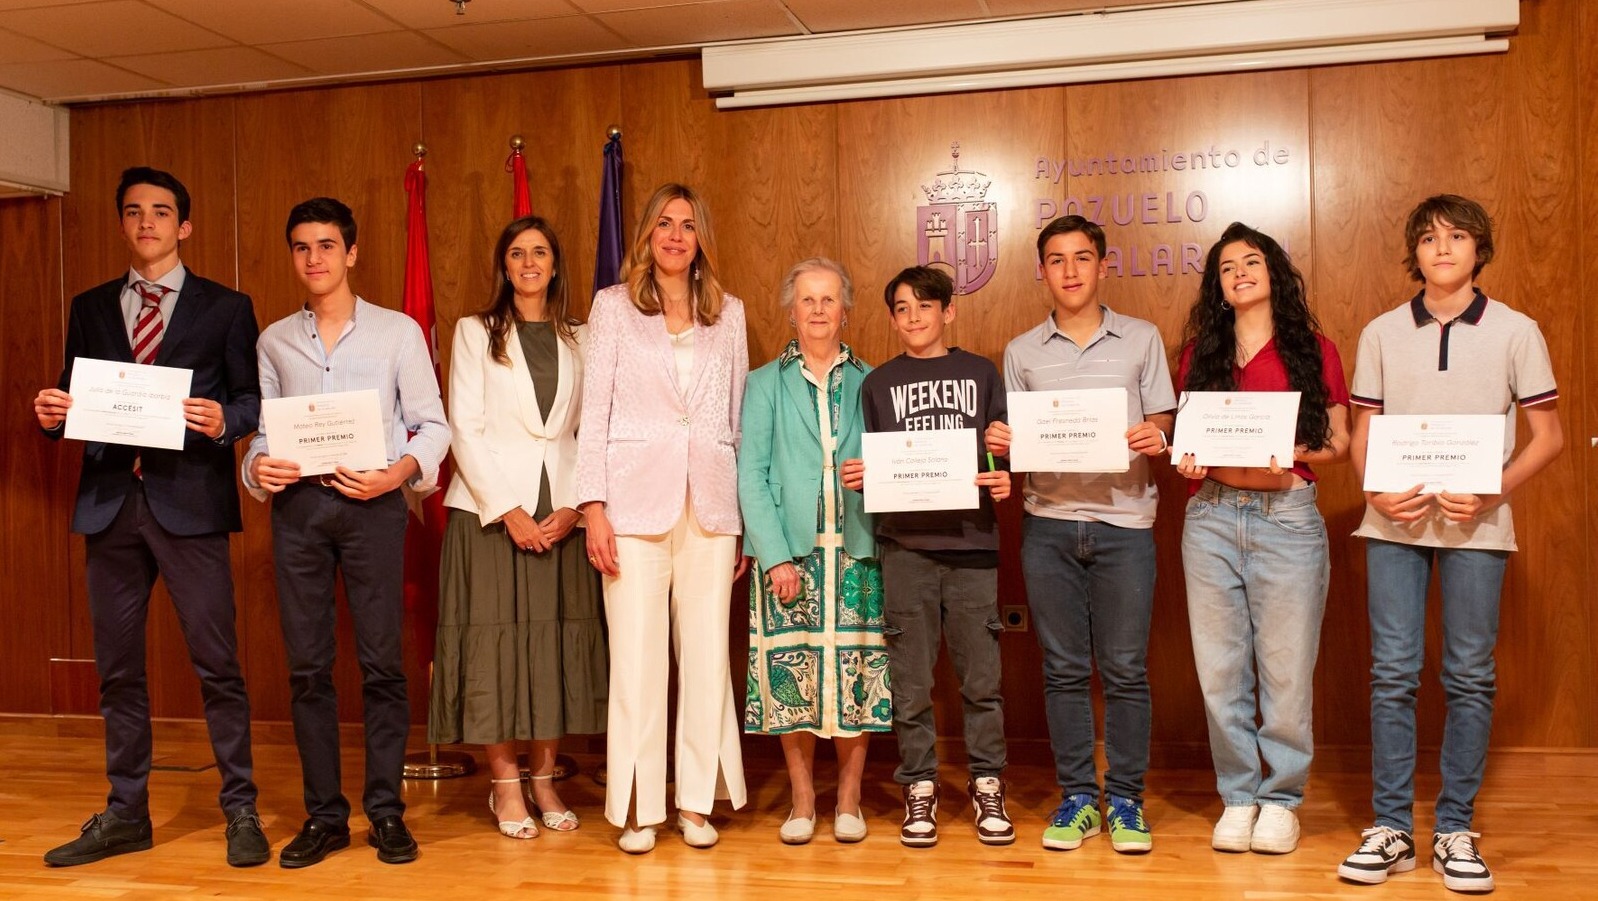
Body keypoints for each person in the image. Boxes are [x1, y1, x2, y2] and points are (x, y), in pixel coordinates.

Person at [35, 166, 268, 868]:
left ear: (184, 225)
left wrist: (226, 418)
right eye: (133, 211)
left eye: (161, 212)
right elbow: (79, 396)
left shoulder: (226, 307)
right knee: (118, 672)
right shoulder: (92, 306)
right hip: (111, 505)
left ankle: (240, 808)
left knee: (218, 665)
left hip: (190, 505)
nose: (147, 222)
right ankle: (126, 811)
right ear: (122, 224)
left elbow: (254, 402)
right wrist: (53, 415)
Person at [1337, 195, 1561, 894]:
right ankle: (1391, 826)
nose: (1442, 248)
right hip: (1394, 522)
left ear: (1478, 249)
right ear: (1415, 252)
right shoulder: (1380, 332)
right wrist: (1373, 488)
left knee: (1469, 674)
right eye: (1429, 238)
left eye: (1456, 236)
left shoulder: (1517, 330)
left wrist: (1495, 489)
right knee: (1393, 673)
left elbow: (1548, 437)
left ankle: (1456, 826)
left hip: (1478, 523)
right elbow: (1363, 432)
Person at [244, 197, 451, 868]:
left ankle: (385, 812)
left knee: (382, 665)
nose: (314, 259)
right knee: (307, 669)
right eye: (302, 247)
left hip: (375, 509)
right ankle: (325, 815)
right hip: (299, 513)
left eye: (326, 246)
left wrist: (396, 476)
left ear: (351, 253)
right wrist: (258, 467)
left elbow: (433, 424)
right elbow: (265, 437)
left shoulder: (398, 333)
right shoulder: (273, 339)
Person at [983, 215, 1175, 854]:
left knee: (1124, 670)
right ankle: (1077, 799)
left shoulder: (1142, 339)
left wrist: (1159, 436)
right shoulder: (1020, 351)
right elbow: (1016, 442)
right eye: (1057, 260)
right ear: (1042, 271)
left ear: (1102, 266)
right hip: (1049, 527)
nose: (1070, 270)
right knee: (1062, 670)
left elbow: (1161, 423)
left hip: (1126, 526)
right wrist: (1002, 443)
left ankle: (1125, 799)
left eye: (1082, 258)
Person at [576, 183, 749, 854]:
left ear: (701, 236)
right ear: (647, 234)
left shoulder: (727, 314)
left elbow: (731, 420)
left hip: (709, 508)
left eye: (688, 225)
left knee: (707, 659)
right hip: (631, 506)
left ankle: (695, 804)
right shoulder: (613, 308)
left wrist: (740, 520)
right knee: (638, 661)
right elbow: (595, 415)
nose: (676, 235)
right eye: (664, 224)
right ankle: (643, 809)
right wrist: (593, 507)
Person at [1173, 222, 1349, 855]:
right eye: (1227, 267)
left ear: (1274, 271)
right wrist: (1187, 458)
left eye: (1252, 261)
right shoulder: (1200, 353)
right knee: (1220, 671)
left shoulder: (1313, 348)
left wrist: (1289, 449)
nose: (1240, 273)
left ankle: (1281, 800)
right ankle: (1239, 796)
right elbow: (1189, 437)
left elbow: (1340, 443)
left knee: (1285, 670)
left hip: (1287, 518)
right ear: (1217, 286)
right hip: (1212, 516)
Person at [429, 216, 606, 839]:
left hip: (562, 515)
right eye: (516, 253)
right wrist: (509, 510)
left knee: (553, 651)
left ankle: (545, 779)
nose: (529, 262)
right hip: (489, 517)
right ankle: (504, 787)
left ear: (555, 265)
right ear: (504, 266)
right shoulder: (476, 332)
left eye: (540, 253)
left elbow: (593, 430)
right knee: (494, 653)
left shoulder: (583, 335)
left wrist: (578, 506)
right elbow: (464, 426)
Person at [841, 265, 1012, 848]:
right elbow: (873, 462)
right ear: (891, 318)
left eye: (924, 305)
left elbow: (1000, 451)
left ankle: (988, 783)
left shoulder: (981, 372)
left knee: (980, 680)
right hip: (905, 549)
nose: (913, 317)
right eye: (901, 309)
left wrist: (1003, 476)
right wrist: (862, 478)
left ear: (949, 310)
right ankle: (919, 785)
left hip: (973, 546)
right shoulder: (877, 384)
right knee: (910, 683)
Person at [739, 258, 888, 845]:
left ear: (845, 309)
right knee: (790, 674)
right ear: (792, 310)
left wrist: (875, 472)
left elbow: (897, 464)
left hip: (858, 549)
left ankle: (849, 800)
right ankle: (802, 800)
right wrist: (772, 555)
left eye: (829, 300)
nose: (819, 310)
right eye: (808, 300)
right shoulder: (762, 383)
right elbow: (750, 474)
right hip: (790, 553)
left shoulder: (873, 381)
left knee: (858, 672)